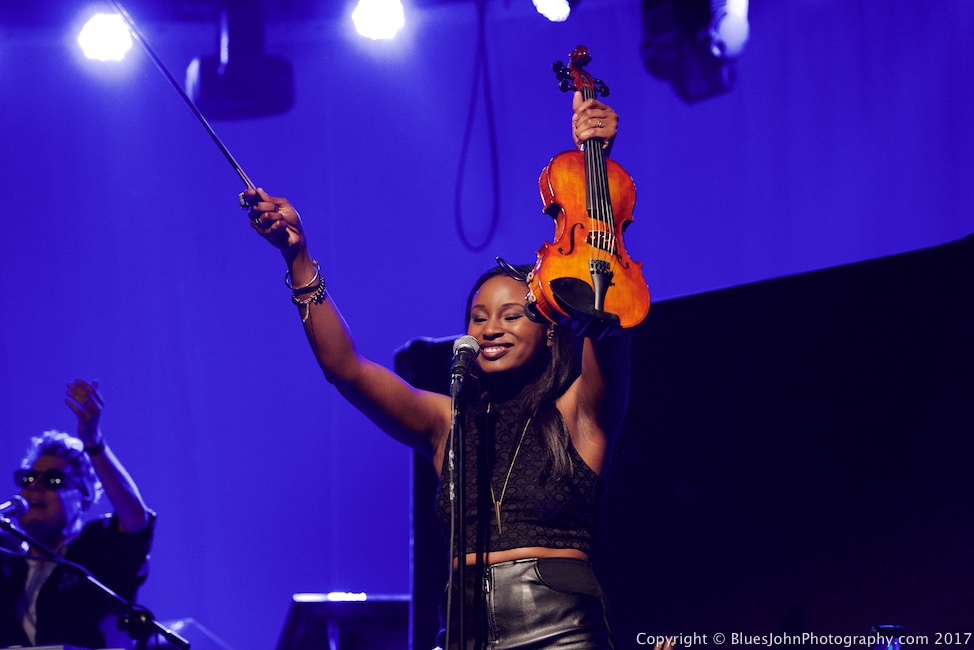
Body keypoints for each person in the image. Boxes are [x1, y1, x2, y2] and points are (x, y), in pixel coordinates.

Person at [244, 93, 634, 649]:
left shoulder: (578, 411)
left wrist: (594, 166)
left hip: (561, 630)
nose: (491, 327)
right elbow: (345, 369)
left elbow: (609, 307)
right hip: (463, 630)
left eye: (511, 314)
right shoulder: (448, 422)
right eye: (478, 317)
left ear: (548, 326)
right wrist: (297, 257)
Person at [0, 379, 154, 649]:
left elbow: (135, 521)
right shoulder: (8, 562)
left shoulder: (94, 549)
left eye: (54, 480)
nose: (35, 485)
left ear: (83, 497)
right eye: (28, 478)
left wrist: (93, 443)